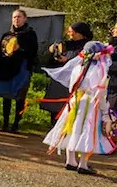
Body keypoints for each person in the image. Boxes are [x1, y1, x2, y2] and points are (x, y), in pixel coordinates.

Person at [42, 41, 115, 174]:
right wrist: (105, 112)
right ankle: (83, 164)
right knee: (86, 131)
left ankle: (70, 160)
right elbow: (100, 93)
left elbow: (72, 87)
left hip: (75, 101)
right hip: (91, 104)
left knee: (71, 129)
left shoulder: (78, 67)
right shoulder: (100, 70)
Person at [0, 8, 39, 132]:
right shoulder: (7, 35)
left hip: (21, 69)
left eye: (19, 17)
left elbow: (33, 52)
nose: (16, 20)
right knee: (6, 97)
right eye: (14, 17)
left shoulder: (30, 34)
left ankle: (16, 124)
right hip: (6, 68)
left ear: (25, 19)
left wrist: (20, 49)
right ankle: (5, 123)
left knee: (19, 97)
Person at [40, 22, 93, 120]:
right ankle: (53, 127)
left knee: (68, 108)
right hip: (59, 80)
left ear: (78, 33)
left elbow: (84, 61)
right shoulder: (66, 44)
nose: (68, 34)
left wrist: (67, 60)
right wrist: (52, 51)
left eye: (70, 31)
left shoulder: (87, 46)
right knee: (55, 107)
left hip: (74, 82)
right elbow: (49, 59)